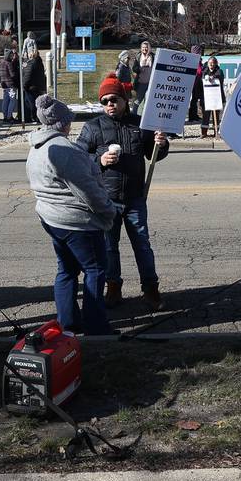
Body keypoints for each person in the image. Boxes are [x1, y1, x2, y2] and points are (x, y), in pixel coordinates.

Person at [74, 73, 169, 311]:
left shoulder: (140, 124)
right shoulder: (92, 128)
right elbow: (77, 158)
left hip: (136, 198)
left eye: (114, 99)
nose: (109, 105)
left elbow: (153, 154)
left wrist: (161, 143)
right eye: (104, 101)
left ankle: (150, 289)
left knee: (143, 245)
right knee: (108, 247)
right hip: (106, 200)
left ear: (125, 100)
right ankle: (113, 287)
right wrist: (99, 159)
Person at [26, 94, 117, 335]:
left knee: (66, 270)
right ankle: (96, 327)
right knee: (95, 270)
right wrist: (108, 211)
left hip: (52, 218)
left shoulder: (38, 146)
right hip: (77, 222)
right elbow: (87, 190)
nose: (71, 123)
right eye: (69, 119)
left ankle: (68, 324)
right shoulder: (64, 150)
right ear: (62, 123)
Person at [21, 40, 47, 124]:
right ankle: (37, 117)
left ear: (31, 54)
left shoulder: (31, 64)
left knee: (30, 104)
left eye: (29, 53)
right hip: (38, 86)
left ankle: (33, 118)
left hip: (30, 87)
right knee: (37, 104)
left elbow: (27, 76)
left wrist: (24, 86)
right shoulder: (40, 63)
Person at [200, 56, 226, 137]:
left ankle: (216, 132)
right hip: (207, 97)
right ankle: (204, 133)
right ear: (207, 64)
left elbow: (219, 76)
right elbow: (203, 78)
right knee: (205, 115)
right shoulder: (204, 71)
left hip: (217, 97)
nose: (211, 64)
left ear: (216, 63)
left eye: (213, 62)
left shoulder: (220, 71)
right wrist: (207, 78)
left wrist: (213, 77)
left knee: (216, 116)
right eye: (210, 63)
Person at [0, 47, 19, 123]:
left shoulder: (1, 63)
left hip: (4, 84)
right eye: (11, 55)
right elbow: (12, 75)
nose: (11, 57)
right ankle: (9, 116)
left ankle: (5, 116)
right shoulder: (8, 63)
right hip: (11, 85)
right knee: (12, 101)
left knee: (5, 101)